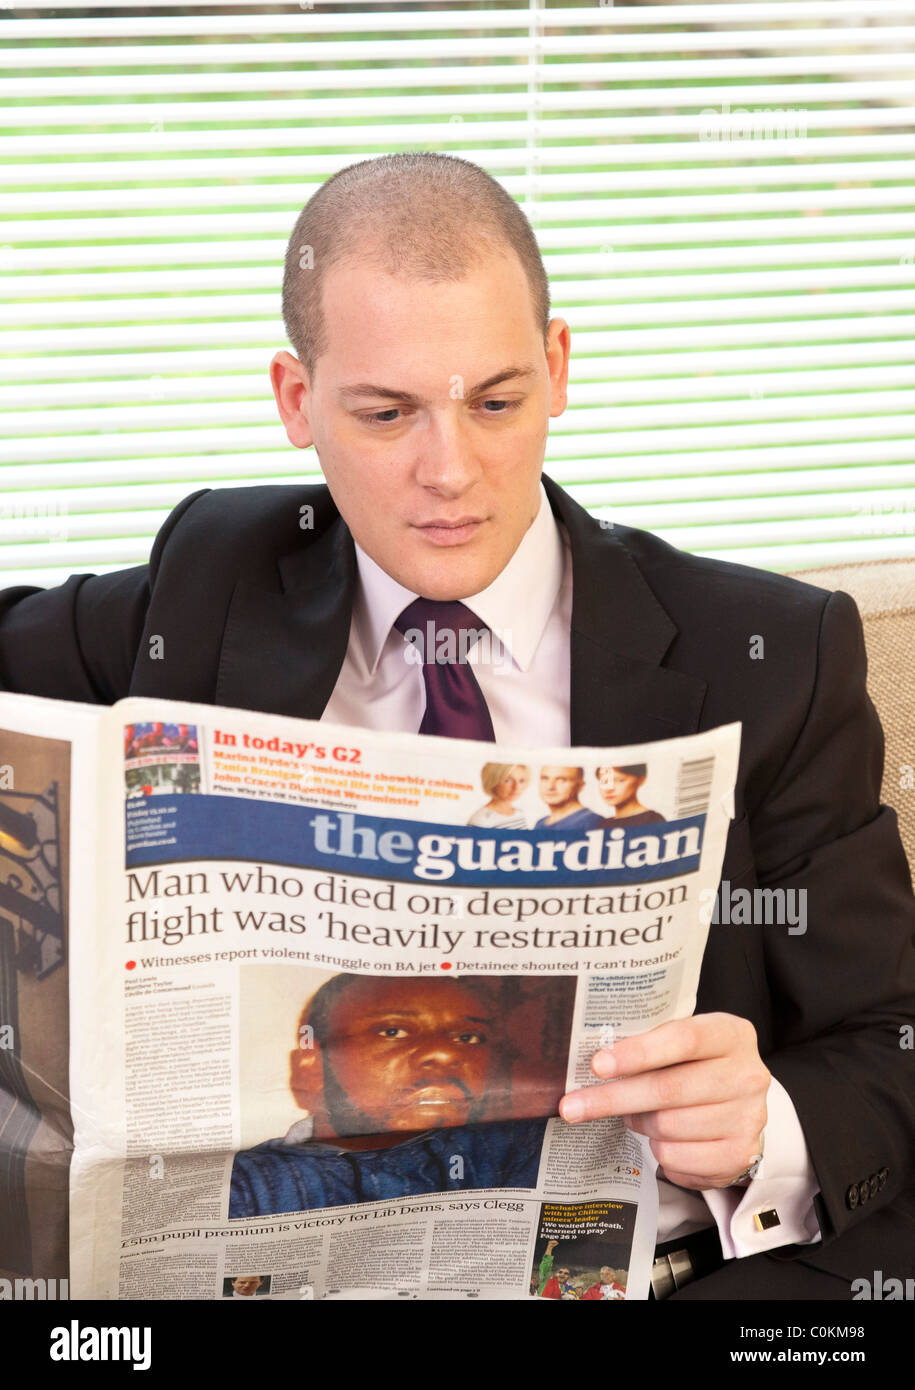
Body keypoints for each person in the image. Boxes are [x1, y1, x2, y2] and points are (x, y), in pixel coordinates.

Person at [0, 151, 912, 1297]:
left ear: (559, 369)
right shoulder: (209, 583)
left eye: (497, 401)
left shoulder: (768, 655)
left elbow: (892, 1040)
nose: (452, 470)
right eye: (386, 414)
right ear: (297, 401)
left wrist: (768, 1119)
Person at [229, 974, 547, 1217]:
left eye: (468, 1036)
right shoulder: (245, 1186)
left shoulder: (515, 1152)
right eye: (393, 1031)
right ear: (312, 1069)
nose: (443, 1052)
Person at [534, 766, 603, 830]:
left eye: (561, 780)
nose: (550, 787)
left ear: (580, 786)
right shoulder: (540, 824)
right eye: (545, 779)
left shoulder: (592, 822)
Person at [596, 764, 664, 828]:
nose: (609, 789)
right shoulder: (603, 824)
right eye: (604, 781)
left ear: (641, 779)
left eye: (620, 780)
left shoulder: (652, 820)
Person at [467, 762, 529, 828]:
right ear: (493, 781)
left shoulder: (519, 813)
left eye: (521, 781)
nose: (516, 787)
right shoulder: (481, 820)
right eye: (507, 780)